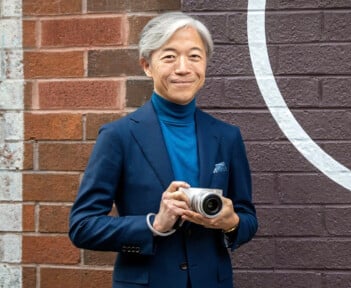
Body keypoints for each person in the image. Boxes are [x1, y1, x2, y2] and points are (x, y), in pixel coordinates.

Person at [69, 12, 258, 288]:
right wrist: (154, 224)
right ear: (147, 66)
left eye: (194, 56)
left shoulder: (227, 137)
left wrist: (230, 222)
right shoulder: (119, 135)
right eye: (169, 57)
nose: (183, 68)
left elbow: (248, 219)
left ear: (205, 63)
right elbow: (82, 226)